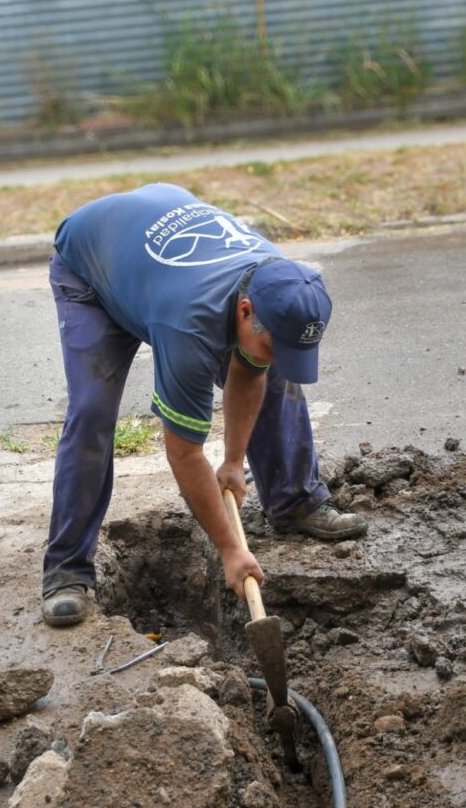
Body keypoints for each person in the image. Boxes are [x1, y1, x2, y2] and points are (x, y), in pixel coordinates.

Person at [42, 183, 367, 627]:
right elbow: (184, 452)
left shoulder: (282, 283)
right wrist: (231, 549)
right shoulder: (189, 327)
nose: (276, 354)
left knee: (273, 376)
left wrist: (234, 461)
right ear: (246, 311)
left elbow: (251, 368)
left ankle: (295, 503)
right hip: (92, 263)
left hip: (152, 249)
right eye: (273, 342)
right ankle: (67, 569)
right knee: (93, 412)